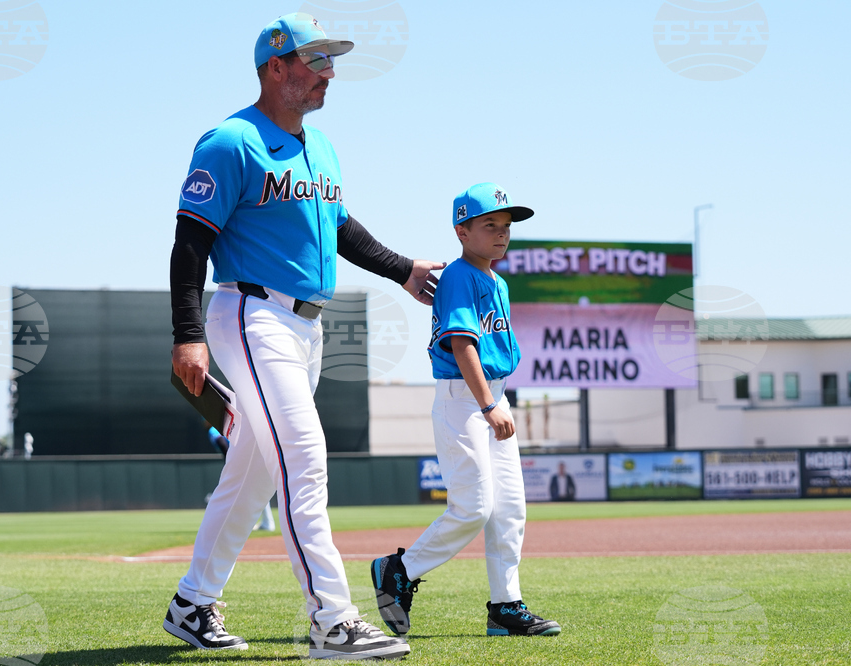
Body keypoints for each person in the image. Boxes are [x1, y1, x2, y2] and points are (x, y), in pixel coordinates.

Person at [164, 12, 445, 659]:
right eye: (315, 60)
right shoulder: (231, 141)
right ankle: (332, 620)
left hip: (305, 327)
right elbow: (189, 243)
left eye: (331, 60)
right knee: (304, 459)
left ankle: (193, 603)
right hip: (251, 313)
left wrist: (402, 270)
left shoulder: (320, 147)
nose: (329, 73)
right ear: (275, 67)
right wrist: (187, 333)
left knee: (253, 477)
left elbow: (340, 228)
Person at [370, 183, 561, 639]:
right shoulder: (459, 276)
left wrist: (496, 401)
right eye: (489, 224)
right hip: (465, 399)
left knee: (509, 508)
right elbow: (462, 344)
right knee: (474, 507)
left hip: (492, 397)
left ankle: (506, 606)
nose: (501, 233)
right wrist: (489, 404)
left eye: (506, 225)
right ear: (462, 231)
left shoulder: (498, 281)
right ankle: (400, 569)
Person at [205, 423, 274, 531]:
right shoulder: (228, 425)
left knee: (243, 491)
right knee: (254, 489)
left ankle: (264, 523)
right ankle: (266, 523)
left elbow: (222, 443)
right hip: (254, 455)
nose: (204, 422)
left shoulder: (214, 430)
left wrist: (231, 464)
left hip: (245, 458)